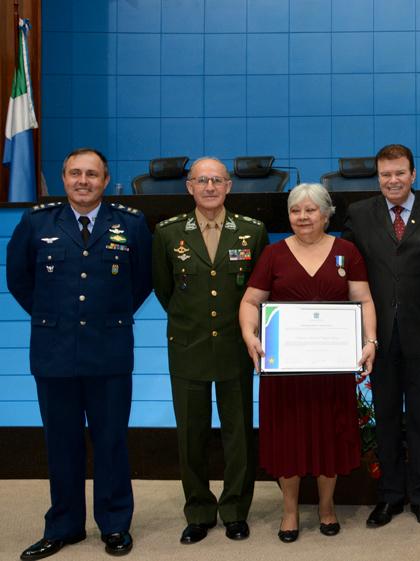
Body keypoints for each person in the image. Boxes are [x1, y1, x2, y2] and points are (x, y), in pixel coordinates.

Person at [8, 148, 152, 559]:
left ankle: (114, 524)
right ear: (64, 178)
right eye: (75, 173)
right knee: (61, 442)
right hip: (54, 353)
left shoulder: (131, 223)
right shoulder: (36, 223)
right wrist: (55, 316)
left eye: (92, 174)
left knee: (111, 441)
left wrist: (106, 316)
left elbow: (139, 283)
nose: (83, 181)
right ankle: (64, 525)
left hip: (109, 351)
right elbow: (20, 280)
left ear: (106, 180)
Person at [238, 183, 377, 543]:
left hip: (331, 371)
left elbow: (363, 300)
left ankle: (327, 508)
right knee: (287, 438)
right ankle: (289, 512)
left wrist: (370, 341)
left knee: (329, 435)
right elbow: (251, 301)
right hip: (285, 373)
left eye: (311, 210)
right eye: (296, 210)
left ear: (326, 214)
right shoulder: (273, 254)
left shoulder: (346, 251)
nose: (303, 217)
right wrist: (250, 335)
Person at [152, 157, 268, 545]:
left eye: (217, 180)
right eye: (201, 180)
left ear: (229, 186)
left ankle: (235, 510)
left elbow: (258, 291)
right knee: (191, 433)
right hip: (188, 346)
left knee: (239, 433)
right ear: (189, 187)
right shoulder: (168, 233)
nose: (209, 187)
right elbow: (164, 290)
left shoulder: (252, 231)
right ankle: (199, 510)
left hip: (236, 346)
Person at [343, 144, 420, 528]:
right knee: (386, 417)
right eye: (385, 174)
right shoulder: (359, 215)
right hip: (377, 338)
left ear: (413, 175)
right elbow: (348, 278)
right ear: (378, 177)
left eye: (399, 173)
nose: (392, 181)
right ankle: (390, 496)